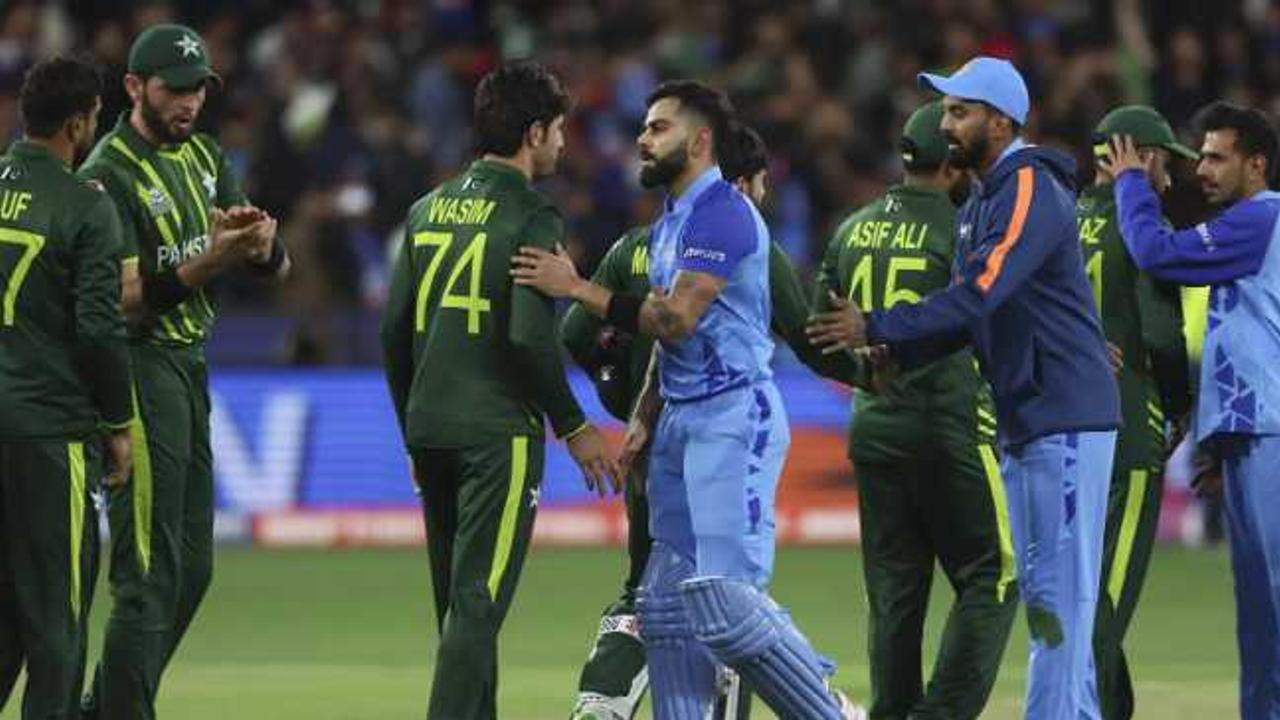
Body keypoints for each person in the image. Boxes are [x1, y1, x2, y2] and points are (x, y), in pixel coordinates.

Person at [513, 80, 860, 720]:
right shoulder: (671, 221)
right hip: (679, 421)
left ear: (700, 141)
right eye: (645, 127)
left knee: (725, 603)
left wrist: (577, 288)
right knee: (665, 608)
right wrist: (646, 416)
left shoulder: (723, 213)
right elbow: (667, 349)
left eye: (658, 128)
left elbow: (675, 322)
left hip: (734, 419)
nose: (643, 139)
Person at [806, 57, 1120, 719]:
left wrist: (877, 324)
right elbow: (971, 313)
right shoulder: (985, 198)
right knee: (1047, 601)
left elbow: (979, 296)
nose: (946, 124)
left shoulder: (1027, 183)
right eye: (946, 111)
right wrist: (895, 351)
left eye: (960, 110)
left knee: (1054, 602)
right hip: (1034, 415)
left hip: (1061, 413)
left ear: (1000, 121)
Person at [380, 60, 619, 720]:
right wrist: (575, 425)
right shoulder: (532, 216)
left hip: (429, 427)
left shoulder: (425, 209)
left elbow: (393, 332)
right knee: (478, 603)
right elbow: (527, 339)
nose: (564, 145)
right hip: (495, 434)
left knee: (461, 614)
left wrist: (411, 427)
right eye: (560, 131)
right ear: (534, 132)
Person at [77, 24, 284, 720]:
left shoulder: (202, 157)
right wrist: (216, 261)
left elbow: (256, 260)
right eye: (174, 89)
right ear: (134, 87)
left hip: (191, 369)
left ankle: (104, 705)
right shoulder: (107, 174)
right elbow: (123, 301)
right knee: (147, 573)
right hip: (138, 373)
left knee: (191, 568)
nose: (190, 103)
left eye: (198, 88)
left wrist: (260, 244)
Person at [811, 99, 1017, 720]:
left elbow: (816, 333)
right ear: (955, 166)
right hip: (949, 421)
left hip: (873, 431)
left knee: (896, 594)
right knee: (995, 576)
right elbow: (984, 316)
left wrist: (864, 374)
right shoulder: (964, 230)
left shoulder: (853, 227)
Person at [1099, 101, 1280, 720]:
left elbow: (1157, 253)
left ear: (1255, 164)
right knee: (1258, 606)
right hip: (1250, 434)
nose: (1201, 168)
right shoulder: (1246, 229)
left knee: (1274, 602)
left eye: (1215, 157)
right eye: (1199, 155)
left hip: (1272, 432)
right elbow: (1244, 341)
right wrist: (1216, 443)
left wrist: (1130, 182)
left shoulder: (1260, 218)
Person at [0, 55, 132, 720]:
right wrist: (118, 424)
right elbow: (99, 332)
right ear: (80, 123)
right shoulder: (85, 205)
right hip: (48, 434)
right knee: (58, 621)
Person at [1078, 105, 1194, 720]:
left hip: (1059, 436)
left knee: (1082, 601)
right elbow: (1163, 336)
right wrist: (1179, 409)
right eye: (1166, 163)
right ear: (1140, 157)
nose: (1170, 180)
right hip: (1127, 434)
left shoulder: (1052, 219)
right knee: (1105, 607)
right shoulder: (1140, 226)